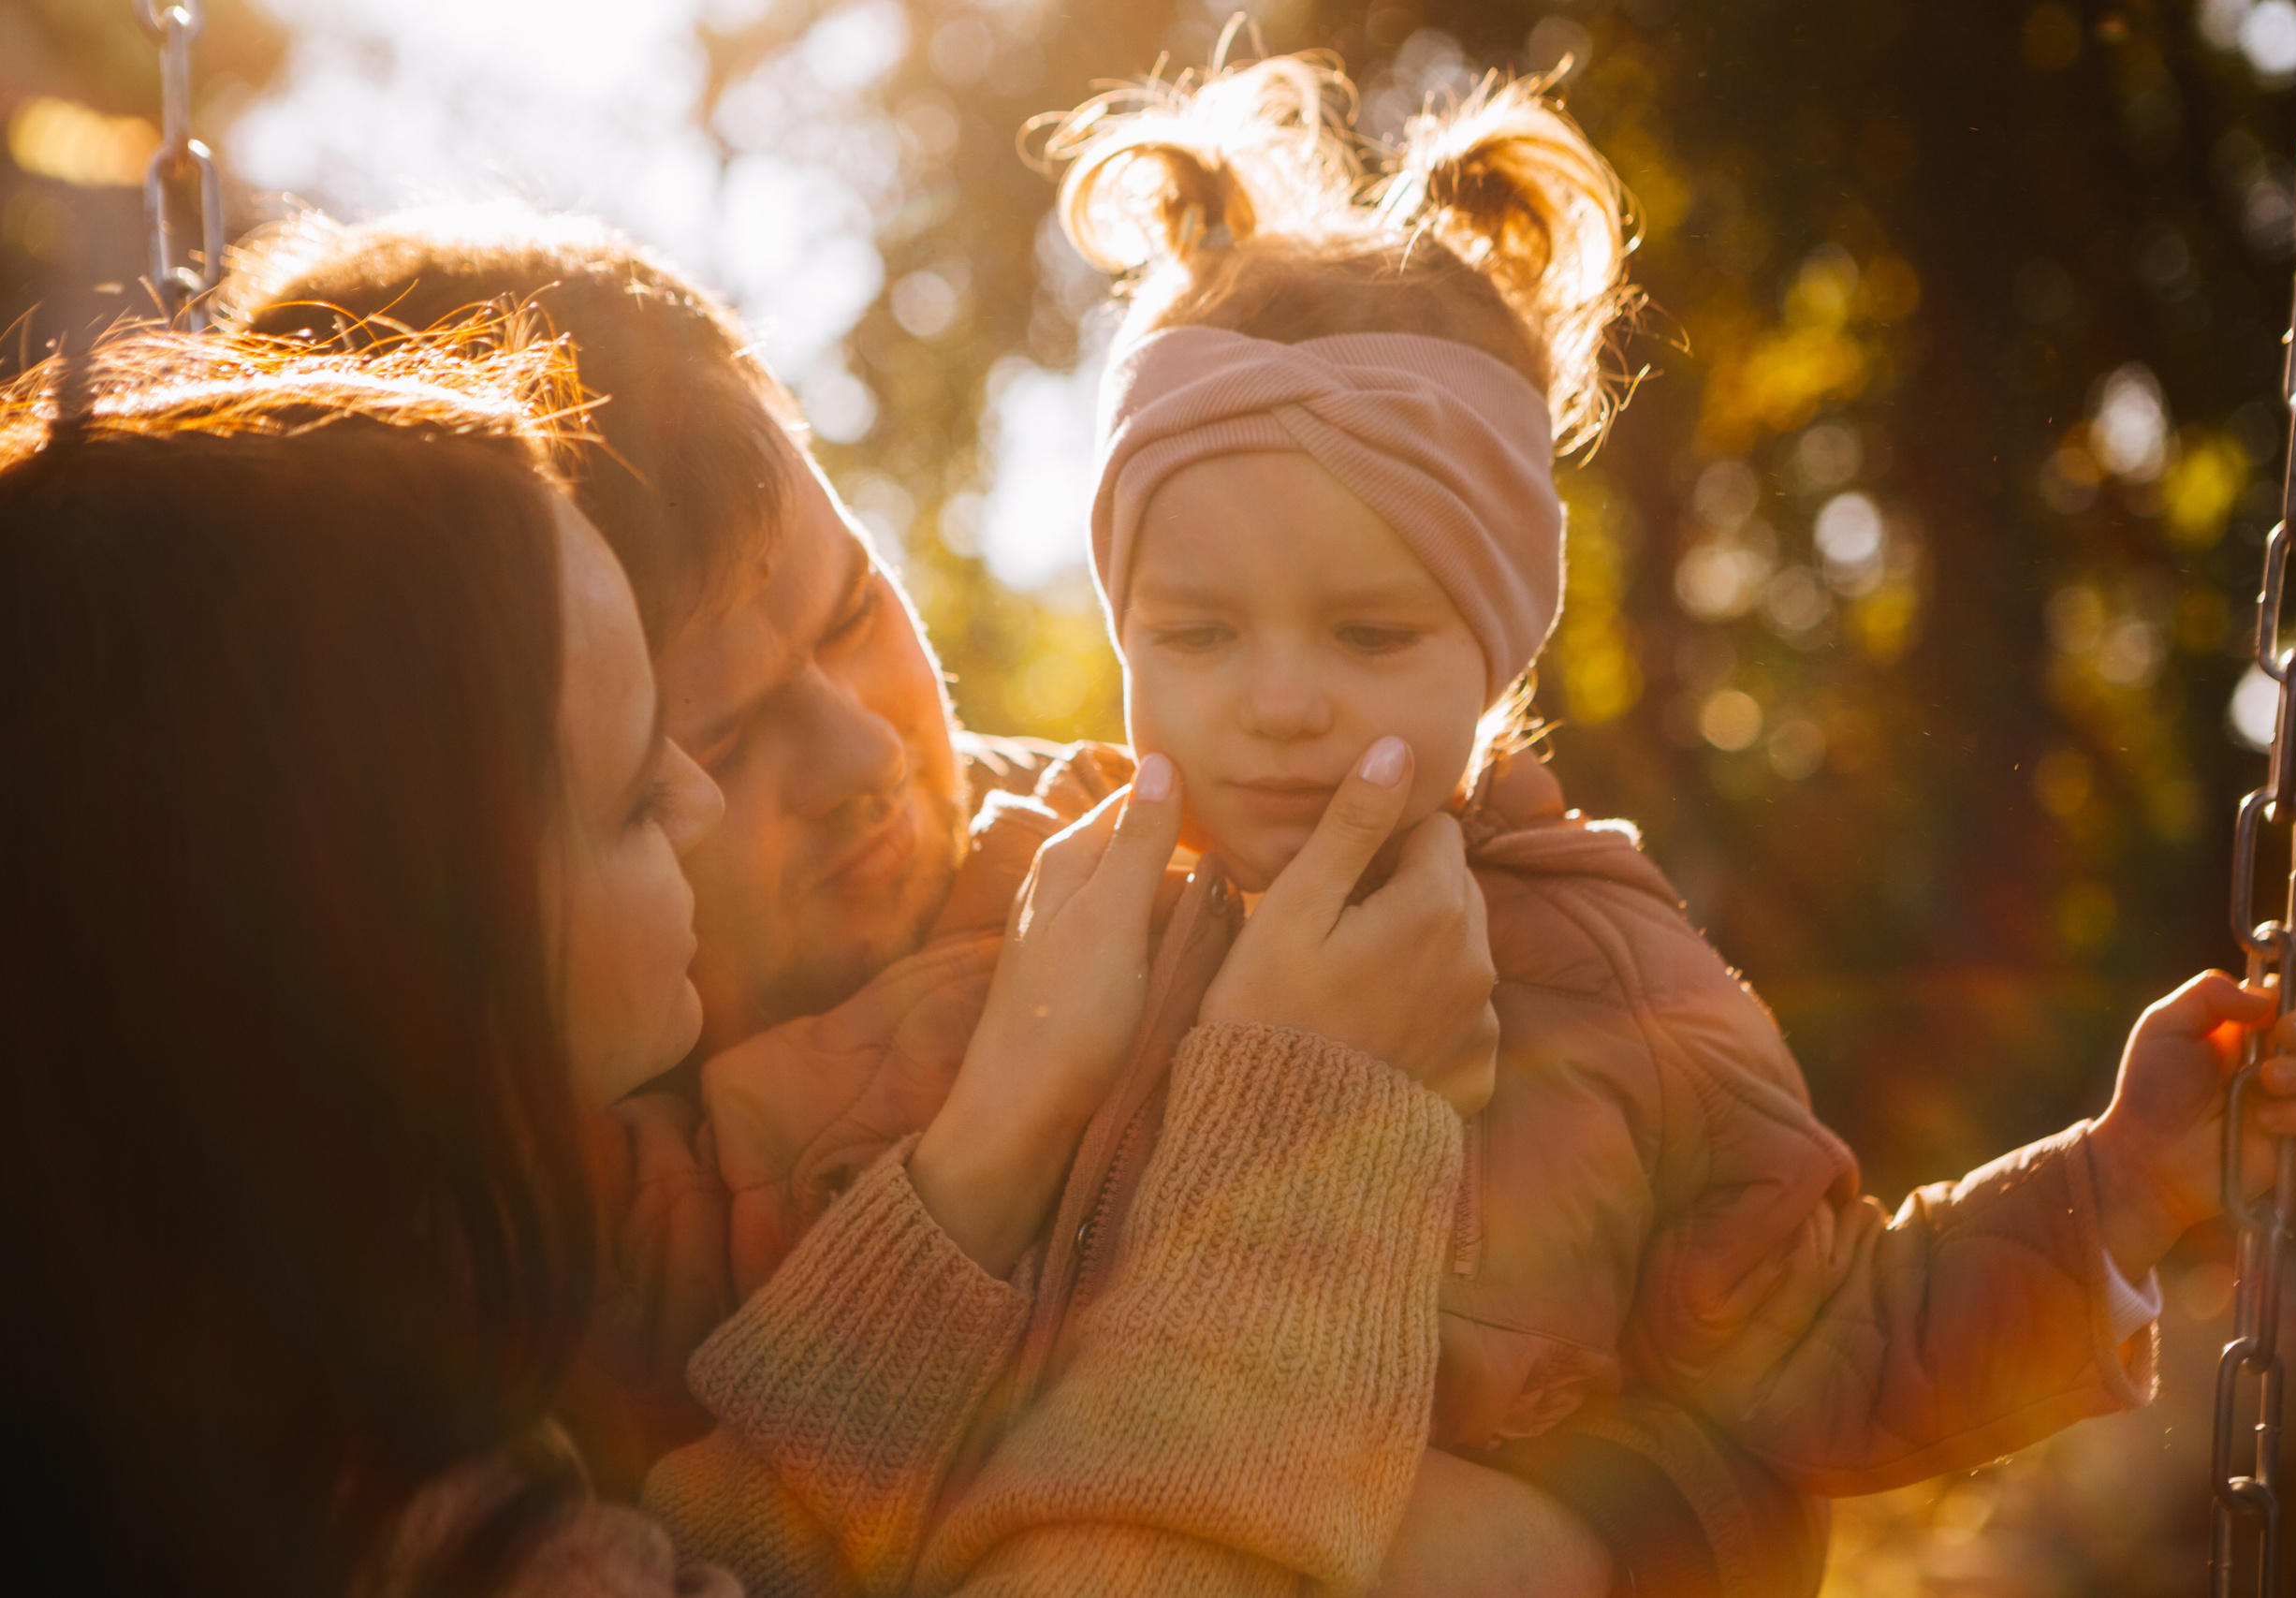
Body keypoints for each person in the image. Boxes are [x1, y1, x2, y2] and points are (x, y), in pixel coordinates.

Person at [1025, 44, 2296, 1559]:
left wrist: (2112, 1190)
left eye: (1370, 634)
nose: (1277, 700)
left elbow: (1829, 1328)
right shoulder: (1053, 907)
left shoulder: (1610, 980)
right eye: (1196, 635)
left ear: (1495, 638)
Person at [0, 328, 1547, 1596]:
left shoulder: (294, 1433)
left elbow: (726, 1562)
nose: (689, 796)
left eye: (862, 609)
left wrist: (988, 1147)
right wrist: (1304, 1152)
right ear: (373, 937)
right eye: (638, 782)